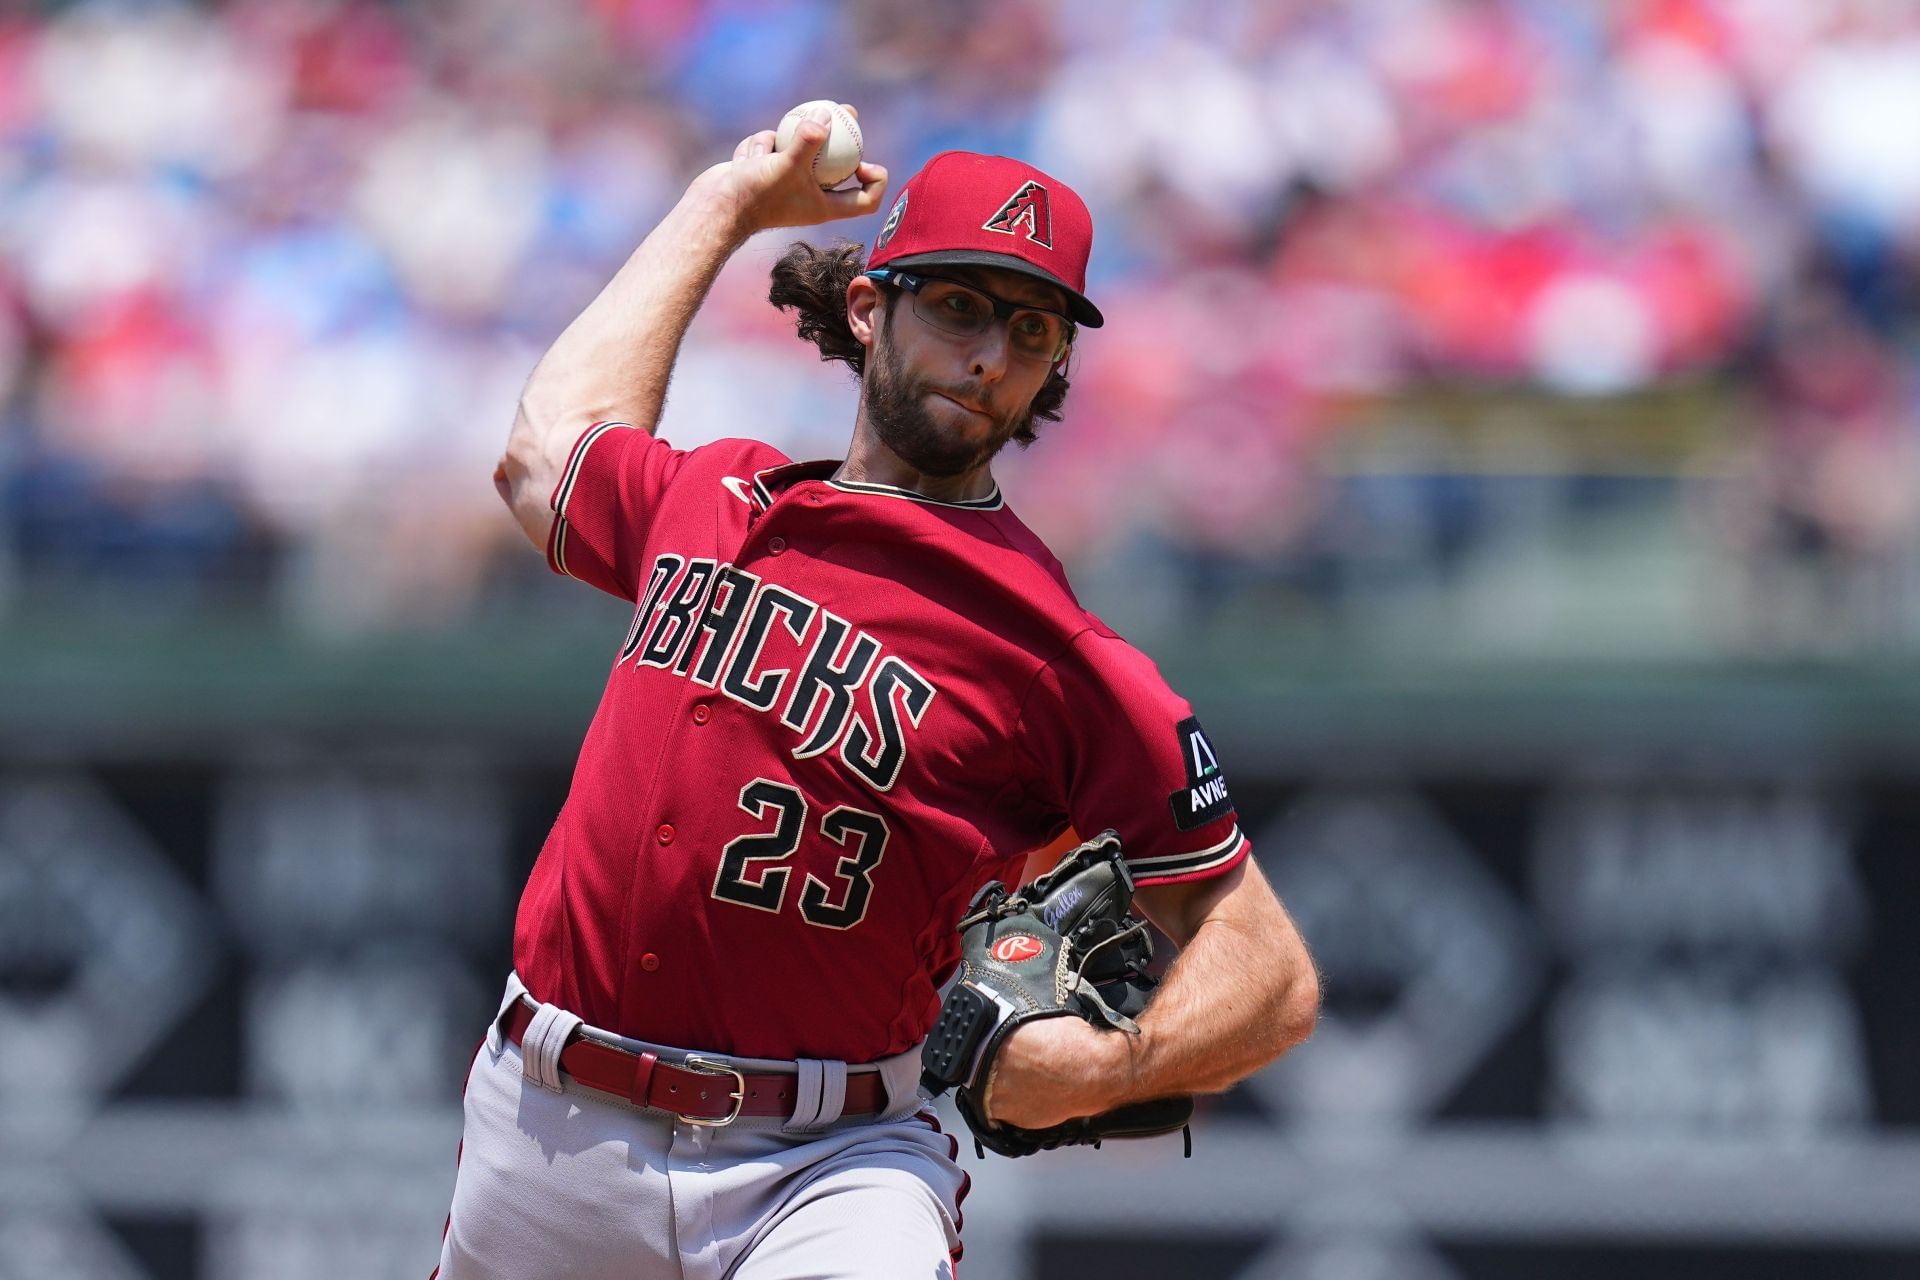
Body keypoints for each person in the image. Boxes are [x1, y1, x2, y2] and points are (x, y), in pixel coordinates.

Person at [433, 105, 1319, 1280]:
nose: (990, 353)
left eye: (1031, 326)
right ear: (869, 305)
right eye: (958, 304)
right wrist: (726, 205)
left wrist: (1117, 1064)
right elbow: (544, 453)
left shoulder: (1056, 648)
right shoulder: (717, 497)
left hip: (828, 1155)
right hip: (550, 1122)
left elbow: (1271, 970)